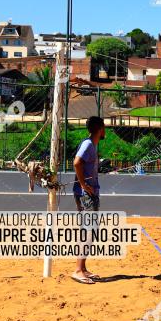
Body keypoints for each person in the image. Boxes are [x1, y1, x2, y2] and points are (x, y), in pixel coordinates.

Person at [71, 116, 106, 284]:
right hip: (86, 194)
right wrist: (84, 184)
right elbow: (76, 162)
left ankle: (83, 268)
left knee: (89, 229)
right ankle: (78, 269)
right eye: (104, 127)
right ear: (100, 128)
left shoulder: (92, 145)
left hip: (89, 193)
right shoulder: (88, 145)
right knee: (87, 229)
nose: (105, 130)